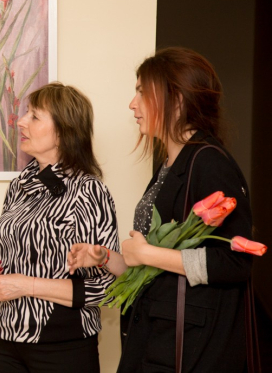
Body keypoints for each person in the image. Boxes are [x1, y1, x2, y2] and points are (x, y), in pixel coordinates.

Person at [68, 47, 253, 372]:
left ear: (176, 100)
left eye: (142, 92)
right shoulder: (170, 164)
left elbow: (235, 264)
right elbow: (156, 269)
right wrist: (106, 258)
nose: (132, 103)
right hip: (155, 339)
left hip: (189, 350)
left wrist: (147, 254)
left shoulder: (209, 163)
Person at [0, 82, 119, 373]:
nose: (21, 121)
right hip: (2, 338)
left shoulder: (89, 191)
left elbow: (108, 288)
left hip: (61, 347)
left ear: (64, 132)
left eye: (35, 116)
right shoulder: (19, 185)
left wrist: (25, 285)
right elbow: (18, 260)